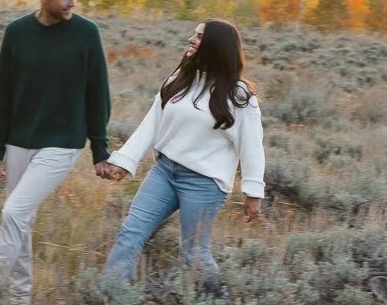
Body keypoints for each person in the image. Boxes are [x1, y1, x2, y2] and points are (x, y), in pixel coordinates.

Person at [99, 19, 264, 286]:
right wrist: (124, 162)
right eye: (193, 34)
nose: (191, 40)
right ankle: (109, 299)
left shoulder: (239, 96)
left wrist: (253, 192)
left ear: (214, 47)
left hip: (204, 184)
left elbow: (252, 146)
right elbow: (151, 124)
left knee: (194, 253)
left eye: (198, 37)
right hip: (164, 172)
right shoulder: (179, 79)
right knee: (130, 233)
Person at [0, 0, 116, 305]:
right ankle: (18, 296)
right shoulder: (17, 32)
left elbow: (98, 93)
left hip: (63, 142)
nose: (72, 3)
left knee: (14, 213)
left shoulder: (86, 33)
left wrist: (99, 150)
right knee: (22, 218)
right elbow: (2, 92)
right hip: (19, 140)